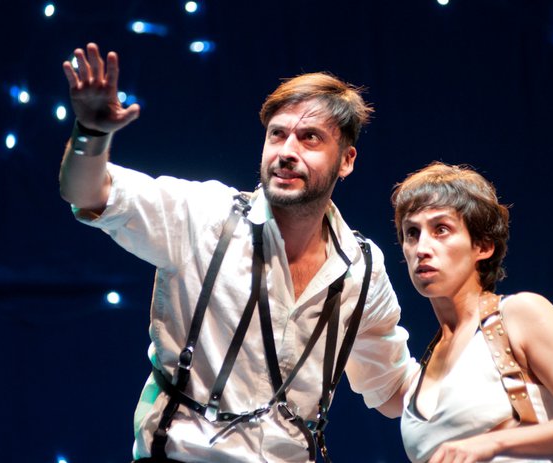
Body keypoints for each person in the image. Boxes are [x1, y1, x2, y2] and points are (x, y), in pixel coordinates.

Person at [59, 42, 417, 463]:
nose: (287, 151)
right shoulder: (205, 217)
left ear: (346, 160)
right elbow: (87, 193)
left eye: (310, 138)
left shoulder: (361, 267)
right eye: (277, 134)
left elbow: (394, 390)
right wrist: (91, 135)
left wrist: (475, 374)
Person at [390, 161, 553, 463]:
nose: (422, 248)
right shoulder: (422, 367)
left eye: (441, 229)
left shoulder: (519, 315)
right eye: (412, 233)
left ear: (483, 246)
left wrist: (491, 443)